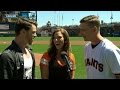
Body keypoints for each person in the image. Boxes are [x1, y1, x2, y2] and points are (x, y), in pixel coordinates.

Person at [79, 15, 120, 79]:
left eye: (83, 30)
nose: (80, 33)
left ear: (94, 29)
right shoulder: (87, 47)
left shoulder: (109, 50)